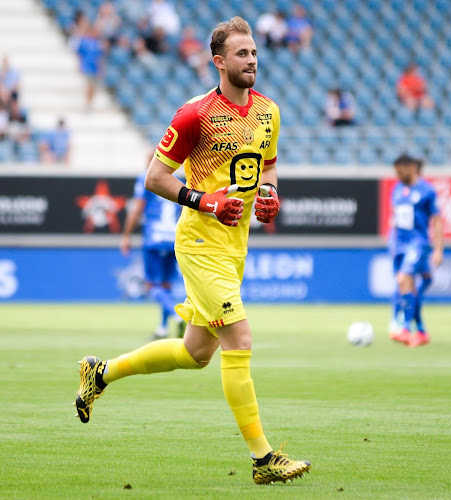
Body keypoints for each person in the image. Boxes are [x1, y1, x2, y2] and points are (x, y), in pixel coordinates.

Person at [74, 16, 311, 485]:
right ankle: (263, 459)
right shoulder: (194, 114)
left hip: (235, 245)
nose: (252, 61)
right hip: (200, 242)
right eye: (242, 54)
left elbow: (267, 168)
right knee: (239, 340)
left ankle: (100, 373)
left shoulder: (269, 112)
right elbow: (155, 178)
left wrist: (269, 195)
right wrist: (205, 200)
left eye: (256, 53)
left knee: (196, 352)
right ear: (218, 61)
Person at [121, 156, 184, 340]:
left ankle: (176, 315)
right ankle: (163, 328)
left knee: (152, 286)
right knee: (166, 286)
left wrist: (126, 235)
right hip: (173, 238)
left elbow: (137, 208)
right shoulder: (178, 181)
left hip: (154, 238)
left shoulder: (145, 178)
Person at [388, 154, 444, 348]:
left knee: (404, 279)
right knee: (409, 286)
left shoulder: (427, 190)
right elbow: (396, 220)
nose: (397, 175)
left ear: (411, 167)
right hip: (400, 245)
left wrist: (438, 249)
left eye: (400, 171)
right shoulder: (397, 190)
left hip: (418, 244)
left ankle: (404, 328)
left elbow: (437, 221)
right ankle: (421, 330)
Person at [74, 22, 104, 111]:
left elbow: (100, 57)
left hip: (95, 67)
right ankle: (88, 103)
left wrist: (101, 68)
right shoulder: (84, 42)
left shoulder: (97, 43)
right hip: (87, 66)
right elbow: (80, 54)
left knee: (93, 87)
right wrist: (79, 65)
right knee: (89, 85)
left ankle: (90, 102)